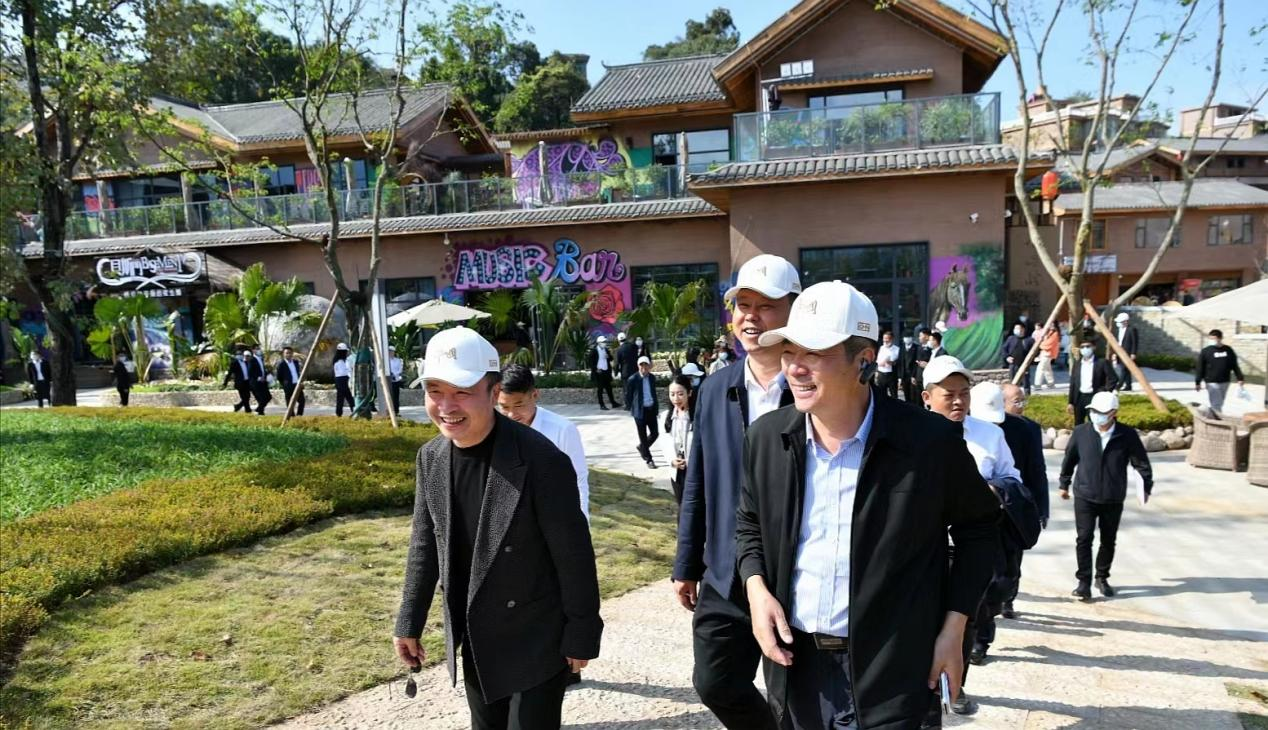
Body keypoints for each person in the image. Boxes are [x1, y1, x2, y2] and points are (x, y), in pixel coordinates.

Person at [736, 280, 1001, 729]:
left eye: (812, 354)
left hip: (896, 674)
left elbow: (982, 530)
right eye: (788, 352)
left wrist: (955, 628)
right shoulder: (767, 440)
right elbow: (748, 525)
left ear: (863, 361)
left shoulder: (929, 443)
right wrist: (756, 588)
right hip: (798, 671)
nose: (794, 369)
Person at [394, 327, 602, 730]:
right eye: (435, 390)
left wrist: (583, 630)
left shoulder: (541, 459)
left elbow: (573, 553)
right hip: (476, 632)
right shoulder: (431, 457)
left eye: (462, 391)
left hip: (536, 631)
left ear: (493, 393)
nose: (446, 406)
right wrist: (409, 620)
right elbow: (425, 544)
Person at [673, 253, 799, 730]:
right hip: (725, 572)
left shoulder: (813, 386)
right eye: (742, 304)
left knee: (792, 693)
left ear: (794, 309)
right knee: (715, 681)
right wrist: (687, 563)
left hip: (791, 574)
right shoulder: (715, 387)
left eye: (765, 305)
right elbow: (698, 481)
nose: (750, 316)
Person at [922, 357, 1024, 715]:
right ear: (926, 398)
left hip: (971, 549)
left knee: (965, 618)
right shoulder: (911, 436)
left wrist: (990, 491)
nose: (958, 402)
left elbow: (1013, 479)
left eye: (964, 394)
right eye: (948, 394)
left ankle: (956, 685)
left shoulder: (990, 434)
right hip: (925, 549)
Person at [1059, 391, 1153, 601]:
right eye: (1093, 411)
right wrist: (1064, 483)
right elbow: (1070, 459)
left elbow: (1141, 464)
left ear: (1113, 413)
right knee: (1084, 538)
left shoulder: (1126, 435)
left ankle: (1102, 577)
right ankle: (1083, 582)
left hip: (1113, 496)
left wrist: (1145, 487)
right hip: (1084, 493)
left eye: (1101, 412)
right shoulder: (1081, 432)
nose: (1096, 416)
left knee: (1108, 539)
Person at [496, 364, 589, 518]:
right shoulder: (495, 429)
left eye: (519, 405)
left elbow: (578, 479)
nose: (512, 415)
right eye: (504, 407)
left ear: (535, 395)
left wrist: (582, 524)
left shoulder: (563, 429)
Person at [997, 383, 1049, 619]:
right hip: (988, 502)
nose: (1021, 406)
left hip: (1017, 503)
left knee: (1014, 556)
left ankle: (1008, 599)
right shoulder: (984, 425)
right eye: (1016, 401)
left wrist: (1041, 508)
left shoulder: (1029, 429)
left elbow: (1037, 471)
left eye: (1022, 401)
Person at [1067, 342, 1117, 425]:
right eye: (1082, 347)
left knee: (1094, 422)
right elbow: (1073, 383)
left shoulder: (1102, 362)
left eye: (1087, 346)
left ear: (1093, 347)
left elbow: (1113, 378)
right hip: (1080, 397)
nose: (1085, 349)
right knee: (1078, 423)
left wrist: (1103, 392)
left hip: (1095, 396)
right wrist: (1070, 402)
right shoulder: (1077, 364)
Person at [1196, 329, 1244, 415]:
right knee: (1216, 404)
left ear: (1220, 338)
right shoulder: (1205, 351)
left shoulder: (1228, 350)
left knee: (1220, 402)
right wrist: (1197, 382)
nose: (1211, 341)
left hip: (1225, 381)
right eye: (1210, 339)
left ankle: (1207, 413)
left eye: (1214, 339)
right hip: (1211, 381)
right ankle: (1218, 421)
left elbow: (1234, 365)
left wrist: (1240, 377)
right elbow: (1200, 367)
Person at [662, 375, 694, 505]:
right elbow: (664, 443)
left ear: (689, 393)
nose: (676, 399)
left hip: (694, 469)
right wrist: (672, 460)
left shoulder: (698, 415)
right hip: (677, 470)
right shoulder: (666, 417)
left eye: (680, 394)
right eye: (672, 394)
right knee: (682, 506)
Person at [624, 355, 660, 469]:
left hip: (651, 409)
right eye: (641, 365)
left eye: (646, 364)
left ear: (649, 366)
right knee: (643, 436)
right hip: (640, 411)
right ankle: (649, 459)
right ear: (638, 366)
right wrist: (632, 407)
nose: (644, 367)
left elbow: (654, 393)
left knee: (655, 433)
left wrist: (656, 408)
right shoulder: (633, 379)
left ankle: (642, 448)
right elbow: (628, 395)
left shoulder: (652, 378)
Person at [587, 335, 619, 410]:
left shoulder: (606, 350)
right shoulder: (594, 351)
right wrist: (595, 369)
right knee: (600, 389)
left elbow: (611, 358)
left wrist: (608, 356)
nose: (605, 343)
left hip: (606, 371)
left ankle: (613, 402)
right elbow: (590, 362)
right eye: (603, 342)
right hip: (599, 372)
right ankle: (602, 404)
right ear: (599, 343)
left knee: (609, 388)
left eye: (605, 342)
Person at [1001, 323, 1034, 394]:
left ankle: (1027, 396)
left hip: (1024, 364)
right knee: (1013, 381)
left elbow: (1035, 351)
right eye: (1015, 328)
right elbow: (1004, 349)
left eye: (1018, 328)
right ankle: (1014, 395)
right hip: (1013, 364)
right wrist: (1007, 357)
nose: (1016, 330)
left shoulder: (1029, 340)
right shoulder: (1011, 339)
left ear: (1023, 329)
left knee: (1026, 381)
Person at [1111, 312, 1139, 392]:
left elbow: (1134, 342)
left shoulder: (1132, 330)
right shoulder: (1120, 330)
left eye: (1120, 322)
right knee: (1125, 370)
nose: (1118, 324)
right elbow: (1119, 342)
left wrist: (1133, 353)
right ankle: (1128, 385)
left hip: (1128, 352)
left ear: (1125, 321)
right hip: (1120, 352)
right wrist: (1115, 353)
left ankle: (1119, 385)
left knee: (1124, 369)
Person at [222, 347, 253, 413]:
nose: (240, 355)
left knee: (247, 396)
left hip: (246, 382)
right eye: (238, 354)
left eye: (241, 354)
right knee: (244, 397)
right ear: (236, 355)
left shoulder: (245, 362)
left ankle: (238, 406)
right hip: (240, 383)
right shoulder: (234, 363)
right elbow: (229, 373)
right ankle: (248, 410)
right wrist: (225, 383)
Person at [276, 346, 305, 417]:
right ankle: (292, 416)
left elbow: (298, 372)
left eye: (290, 353)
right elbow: (279, 376)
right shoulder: (281, 364)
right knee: (290, 403)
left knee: (302, 401)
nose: (288, 354)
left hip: (297, 385)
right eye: (286, 353)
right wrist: (284, 383)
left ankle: (299, 415)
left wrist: (300, 382)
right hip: (288, 386)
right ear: (283, 354)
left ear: (292, 354)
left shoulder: (295, 362)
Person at [874, 330, 901, 398]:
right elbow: (876, 360)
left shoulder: (897, 349)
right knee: (882, 394)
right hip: (881, 374)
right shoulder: (880, 348)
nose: (885, 340)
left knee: (894, 394)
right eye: (884, 338)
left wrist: (892, 362)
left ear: (891, 339)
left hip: (891, 375)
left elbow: (899, 363)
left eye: (887, 339)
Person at [248, 347, 272, 415]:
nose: (259, 350)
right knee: (264, 397)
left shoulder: (261, 359)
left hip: (263, 381)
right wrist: (258, 378)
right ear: (253, 350)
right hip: (256, 382)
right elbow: (250, 371)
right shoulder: (252, 359)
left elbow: (262, 370)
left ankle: (259, 410)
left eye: (259, 348)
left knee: (268, 397)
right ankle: (259, 411)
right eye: (257, 349)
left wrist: (267, 375)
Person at [1035, 325, 1059, 390]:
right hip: (1044, 353)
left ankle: (1038, 384)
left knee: (1040, 368)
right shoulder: (1047, 333)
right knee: (1047, 369)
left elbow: (1048, 344)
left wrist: (1040, 344)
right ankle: (1051, 383)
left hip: (1048, 353)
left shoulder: (1054, 334)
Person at [903, 331, 925, 403]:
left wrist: (914, 375)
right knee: (906, 395)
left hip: (913, 375)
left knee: (914, 396)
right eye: (905, 337)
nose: (906, 339)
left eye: (908, 337)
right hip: (904, 375)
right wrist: (900, 377)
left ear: (911, 338)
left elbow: (917, 362)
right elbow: (901, 362)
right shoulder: (902, 347)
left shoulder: (917, 347)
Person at [333, 343, 353, 417]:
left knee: (347, 397)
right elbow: (343, 372)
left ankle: (350, 410)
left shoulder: (344, 360)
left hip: (344, 379)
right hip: (341, 380)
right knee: (343, 397)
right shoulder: (338, 362)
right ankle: (339, 413)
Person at [388, 344, 405, 416]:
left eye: (392, 351)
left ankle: (396, 411)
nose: (391, 353)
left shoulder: (398, 360)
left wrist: (395, 374)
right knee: (390, 396)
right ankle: (390, 411)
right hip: (389, 380)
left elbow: (400, 370)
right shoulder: (386, 361)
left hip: (396, 380)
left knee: (396, 396)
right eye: (389, 351)